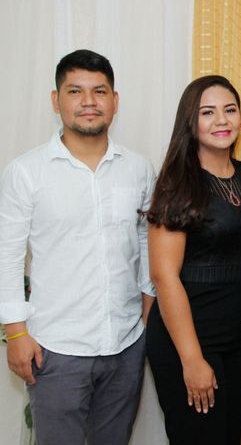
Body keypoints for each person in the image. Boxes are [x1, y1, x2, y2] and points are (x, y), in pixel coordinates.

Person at [0, 49, 155, 444]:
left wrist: (148, 304)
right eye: (75, 91)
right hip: (55, 348)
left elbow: (145, 239)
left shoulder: (138, 168)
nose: (89, 102)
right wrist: (16, 333)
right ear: (57, 101)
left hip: (124, 344)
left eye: (100, 91)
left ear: (114, 101)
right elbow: (7, 253)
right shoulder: (26, 172)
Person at [145, 75, 241, 444]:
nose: (222, 120)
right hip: (190, 337)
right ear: (190, 123)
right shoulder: (177, 182)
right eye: (207, 112)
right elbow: (164, 277)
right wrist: (192, 359)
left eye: (230, 110)